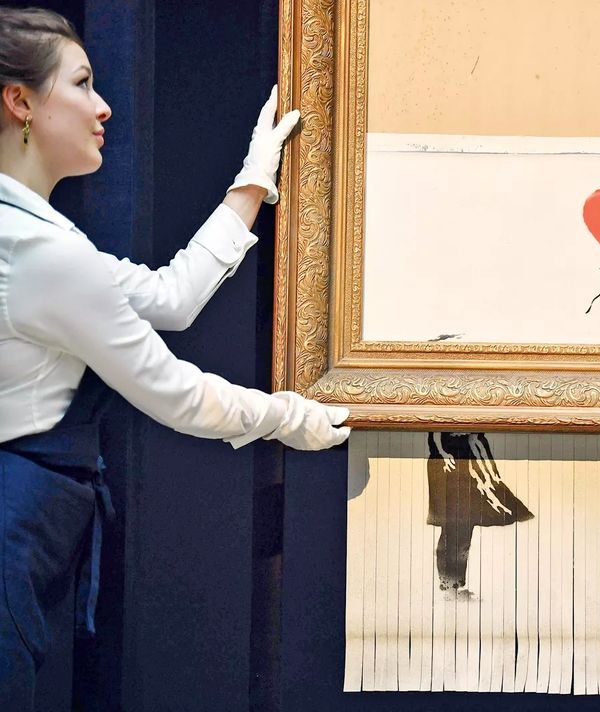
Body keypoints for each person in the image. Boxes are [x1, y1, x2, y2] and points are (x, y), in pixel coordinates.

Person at [0, 8, 350, 706]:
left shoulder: (32, 238)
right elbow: (177, 395)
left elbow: (169, 296)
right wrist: (293, 417)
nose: (103, 106)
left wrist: (254, 177)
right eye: (82, 83)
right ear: (21, 102)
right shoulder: (39, 251)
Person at [427, 432, 532, 599]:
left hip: (467, 465)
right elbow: (435, 431)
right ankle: (448, 585)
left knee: (464, 528)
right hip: (448, 465)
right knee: (452, 528)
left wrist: (490, 472)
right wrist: (443, 454)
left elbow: (476, 438)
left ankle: (454, 584)